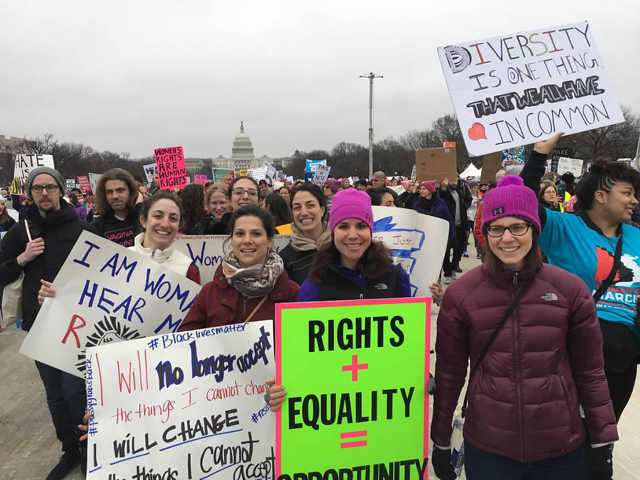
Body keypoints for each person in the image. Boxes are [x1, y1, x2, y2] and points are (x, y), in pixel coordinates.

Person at [431, 175, 618, 480]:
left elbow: (590, 370)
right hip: (489, 448)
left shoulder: (569, 290)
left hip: (559, 447)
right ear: (485, 232)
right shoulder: (461, 294)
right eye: (497, 228)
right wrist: (440, 440)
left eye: (518, 226)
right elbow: (450, 375)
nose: (508, 238)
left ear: (534, 228)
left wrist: (602, 437)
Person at [520, 133, 640, 479]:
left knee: (601, 438)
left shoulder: (636, 236)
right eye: (627, 192)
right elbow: (524, 204)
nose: (633, 200)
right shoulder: (564, 227)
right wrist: (540, 154)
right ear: (601, 196)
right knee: (564, 437)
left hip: (622, 355)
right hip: (573, 347)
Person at [0, 167, 97, 479]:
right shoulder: (21, 231)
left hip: (76, 326)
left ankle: (89, 449)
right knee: (54, 392)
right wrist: (23, 259)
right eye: (38, 188)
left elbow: (103, 276)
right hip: (39, 323)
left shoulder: (83, 227)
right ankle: (69, 448)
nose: (44, 193)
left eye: (50, 187)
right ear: (29, 193)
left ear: (59, 191)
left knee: (74, 391)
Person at [178, 205, 299, 330]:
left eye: (256, 234)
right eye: (240, 233)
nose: (247, 240)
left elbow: (299, 345)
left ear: (269, 240)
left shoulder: (292, 293)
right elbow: (185, 341)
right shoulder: (210, 292)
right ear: (232, 239)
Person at [297, 188, 414, 301]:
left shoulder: (396, 278)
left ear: (370, 230)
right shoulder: (313, 287)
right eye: (343, 227)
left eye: (361, 226)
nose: (352, 235)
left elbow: (411, 320)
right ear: (333, 232)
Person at [278, 184, 331, 285]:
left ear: (322, 210)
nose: (304, 212)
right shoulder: (285, 258)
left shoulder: (340, 245)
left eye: (310, 205)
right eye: (297, 208)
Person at [92, 168, 143, 247]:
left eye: (120, 190)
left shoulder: (145, 218)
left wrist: (140, 208)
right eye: (109, 192)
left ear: (131, 191)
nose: (115, 196)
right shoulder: (97, 226)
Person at [413, 181, 456, 272]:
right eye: (420, 189)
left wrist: (453, 236)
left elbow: (448, 220)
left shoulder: (441, 202)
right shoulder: (417, 204)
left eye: (424, 188)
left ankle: (441, 277)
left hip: (439, 237)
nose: (421, 190)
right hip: (424, 238)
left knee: (439, 261)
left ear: (430, 190)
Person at [440, 174, 472, 279]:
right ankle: (448, 273)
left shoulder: (459, 193)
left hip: (460, 226)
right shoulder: (444, 193)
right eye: (452, 181)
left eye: (456, 180)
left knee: (458, 250)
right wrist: (444, 188)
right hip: (448, 227)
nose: (454, 182)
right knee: (446, 251)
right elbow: (440, 199)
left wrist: (466, 227)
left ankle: (453, 268)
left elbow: (463, 211)